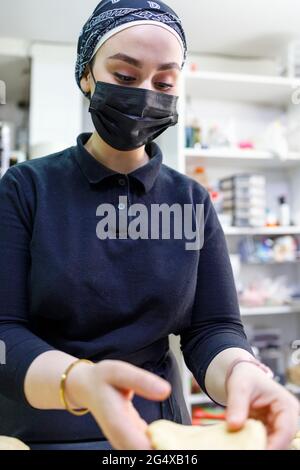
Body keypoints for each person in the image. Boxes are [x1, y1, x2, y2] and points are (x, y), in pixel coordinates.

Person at [0, 0, 298, 451]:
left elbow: (211, 327)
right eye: (124, 77)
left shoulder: (191, 200)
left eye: (164, 81)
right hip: (45, 428)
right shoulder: (27, 187)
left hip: (159, 434)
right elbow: (4, 329)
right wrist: (81, 382)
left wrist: (243, 373)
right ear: (86, 75)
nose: (144, 94)